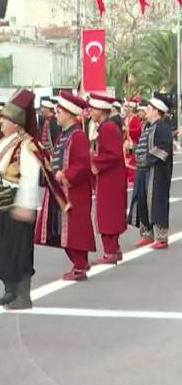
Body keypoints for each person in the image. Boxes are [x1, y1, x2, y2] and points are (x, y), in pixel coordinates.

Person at [0, 89, 53, 311]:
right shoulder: (2, 142)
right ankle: (9, 290)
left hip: (15, 205)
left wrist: (26, 205)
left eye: (5, 119)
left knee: (17, 251)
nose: (1, 122)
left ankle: (23, 295)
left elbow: (30, 178)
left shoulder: (26, 145)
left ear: (15, 123)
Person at [34, 92, 95, 281]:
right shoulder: (64, 135)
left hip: (74, 191)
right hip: (63, 190)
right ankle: (79, 264)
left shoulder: (77, 136)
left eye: (59, 111)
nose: (56, 114)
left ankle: (80, 265)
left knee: (75, 229)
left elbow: (82, 165)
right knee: (64, 229)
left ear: (69, 113)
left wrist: (65, 175)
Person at [88, 92, 128, 265]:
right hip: (111, 176)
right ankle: (114, 248)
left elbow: (113, 155)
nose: (90, 111)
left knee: (108, 213)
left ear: (100, 110)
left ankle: (110, 251)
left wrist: (93, 159)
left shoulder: (108, 128)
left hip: (110, 177)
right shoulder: (106, 127)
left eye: (93, 108)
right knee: (110, 211)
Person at [129, 97, 174, 250]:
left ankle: (161, 236)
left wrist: (147, 158)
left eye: (148, 108)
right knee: (141, 200)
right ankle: (146, 234)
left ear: (156, 110)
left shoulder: (162, 127)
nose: (145, 111)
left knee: (157, 201)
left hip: (156, 171)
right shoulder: (148, 127)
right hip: (142, 170)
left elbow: (164, 148)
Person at [124, 97, 143, 186]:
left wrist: (129, 130)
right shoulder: (124, 118)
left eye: (129, 108)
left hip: (133, 141)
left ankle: (132, 178)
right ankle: (127, 177)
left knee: (132, 159)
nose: (128, 110)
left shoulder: (135, 118)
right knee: (126, 159)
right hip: (125, 142)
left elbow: (138, 130)